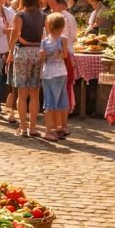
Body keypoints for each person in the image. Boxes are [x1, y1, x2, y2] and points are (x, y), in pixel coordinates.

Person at [7, 0, 45, 137]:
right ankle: (33, 127)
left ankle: (23, 127)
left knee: (22, 93)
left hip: (22, 53)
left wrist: (10, 53)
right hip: (37, 53)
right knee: (35, 93)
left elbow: (16, 35)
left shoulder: (20, 15)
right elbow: (45, 36)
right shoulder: (43, 15)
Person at [40, 13, 71, 141]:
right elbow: (64, 55)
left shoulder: (46, 41)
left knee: (55, 102)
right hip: (56, 73)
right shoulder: (57, 40)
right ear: (62, 26)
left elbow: (44, 58)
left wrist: (46, 55)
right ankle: (53, 129)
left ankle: (56, 128)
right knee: (54, 102)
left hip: (52, 74)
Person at [50, 0, 78, 124]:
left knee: (62, 86)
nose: (49, 2)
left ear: (57, 1)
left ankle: (61, 121)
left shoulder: (63, 17)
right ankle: (59, 120)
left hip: (62, 55)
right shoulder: (65, 16)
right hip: (62, 54)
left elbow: (66, 38)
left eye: (52, 0)